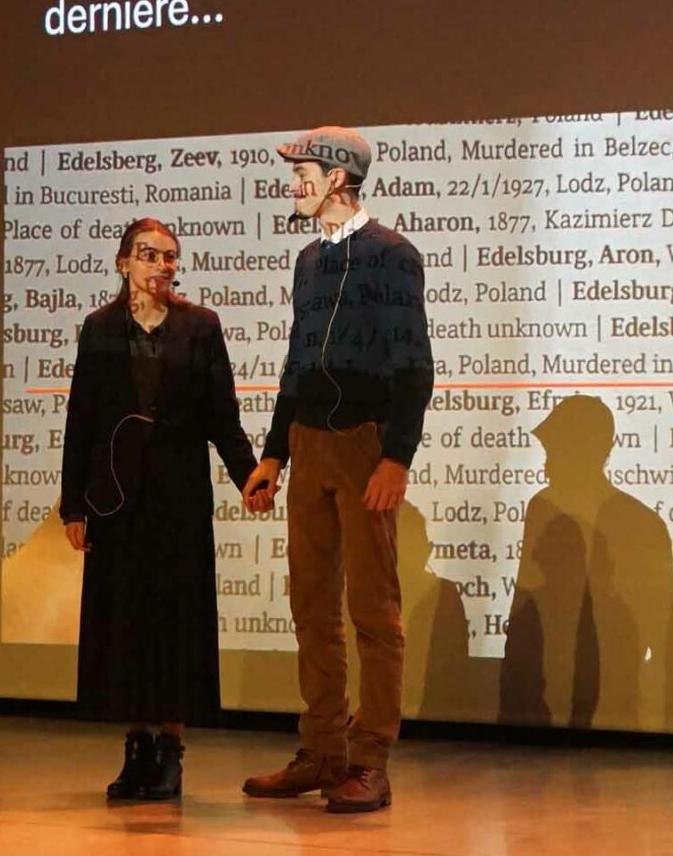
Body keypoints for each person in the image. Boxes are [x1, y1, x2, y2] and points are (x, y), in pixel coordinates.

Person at [240, 128, 434, 814]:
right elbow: (298, 360)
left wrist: (396, 456)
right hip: (309, 442)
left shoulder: (391, 254)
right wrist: (274, 452)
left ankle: (369, 758)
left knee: (373, 610)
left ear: (339, 178)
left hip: (363, 444)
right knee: (311, 605)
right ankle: (323, 750)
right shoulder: (308, 261)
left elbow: (415, 363)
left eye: (305, 171)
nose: (295, 182)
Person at [59, 217, 259, 803]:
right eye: (149, 254)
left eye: (170, 256)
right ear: (123, 263)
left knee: (176, 622)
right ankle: (136, 747)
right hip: (117, 500)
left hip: (179, 500)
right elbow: (81, 419)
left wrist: (250, 476)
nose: (162, 265)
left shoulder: (201, 327)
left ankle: (170, 748)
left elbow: (222, 416)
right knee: (125, 622)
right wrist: (73, 505)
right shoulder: (99, 329)